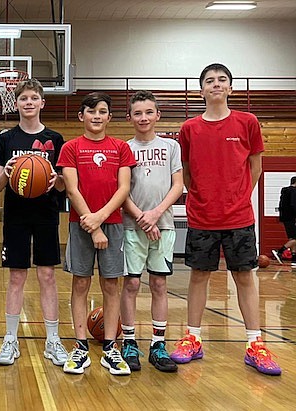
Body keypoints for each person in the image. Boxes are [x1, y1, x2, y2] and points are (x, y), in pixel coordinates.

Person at [171, 63, 281, 376]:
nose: (216, 84)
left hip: (238, 217)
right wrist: (205, 198)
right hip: (202, 216)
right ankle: (193, 337)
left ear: (231, 88)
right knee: (198, 276)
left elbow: (256, 167)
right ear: (201, 90)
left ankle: (254, 343)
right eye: (209, 81)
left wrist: (237, 197)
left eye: (222, 80)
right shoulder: (189, 128)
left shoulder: (248, 122)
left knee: (245, 277)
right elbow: (189, 173)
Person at [56, 92, 135, 375]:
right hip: (81, 226)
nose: (97, 116)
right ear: (82, 117)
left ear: (109, 117)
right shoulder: (70, 148)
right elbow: (71, 189)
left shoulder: (121, 147)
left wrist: (100, 220)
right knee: (80, 284)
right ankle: (80, 347)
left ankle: (110, 349)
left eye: (102, 111)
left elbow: (123, 189)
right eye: (91, 111)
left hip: (110, 225)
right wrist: (93, 226)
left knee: (112, 286)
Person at [0, 79, 67, 366]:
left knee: (47, 275)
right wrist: (7, 173)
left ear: (42, 103)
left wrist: (54, 180)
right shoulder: (6, 140)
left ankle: (53, 340)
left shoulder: (56, 139)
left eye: (34, 98)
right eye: (23, 98)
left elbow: (63, 185)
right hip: (16, 215)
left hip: (46, 214)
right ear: (17, 103)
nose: (28, 103)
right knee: (16, 277)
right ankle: (10, 339)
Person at [119, 90, 183, 373]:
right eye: (137, 113)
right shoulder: (124, 148)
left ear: (158, 115)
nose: (143, 117)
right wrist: (142, 217)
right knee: (131, 284)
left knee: (159, 284)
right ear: (129, 117)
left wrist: (155, 215)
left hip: (165, 225)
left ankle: (158, 344)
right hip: (132, 226)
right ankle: (129, 341)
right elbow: (121, 190)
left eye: (148, 112)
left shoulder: (171, 147)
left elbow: (177, 186)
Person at [272, 176, 296, 267]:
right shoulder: (293, 191)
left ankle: (294, 260)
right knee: (295, 239)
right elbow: (294, 205)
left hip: (285, 218)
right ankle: (279, 251)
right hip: (292, 218)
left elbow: (281, 205)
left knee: (292, 238)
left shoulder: (285, 191)